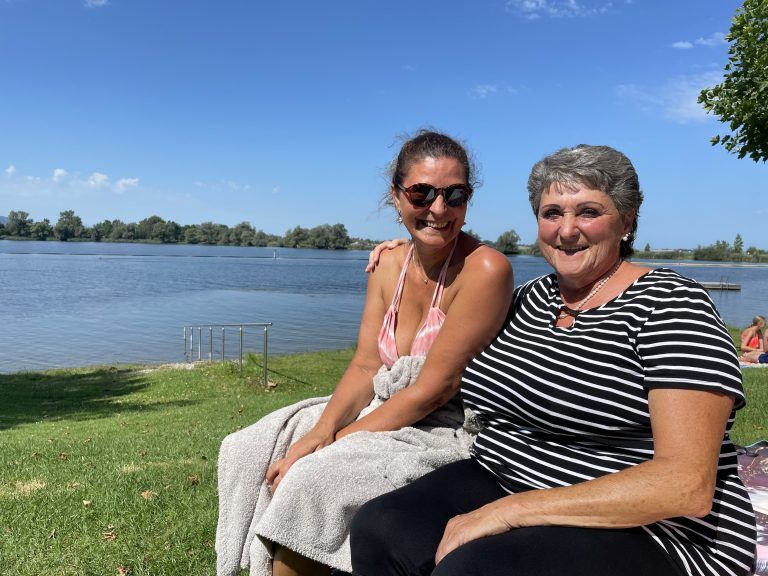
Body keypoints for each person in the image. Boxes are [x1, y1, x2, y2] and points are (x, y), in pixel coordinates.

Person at [350, 144, 757, 576]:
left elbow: (684, 485)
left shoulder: (671, 305)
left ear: (628, 219)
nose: (566, 231)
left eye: (587, 212)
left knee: (476, 569)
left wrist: (509, 513)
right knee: (379, 526)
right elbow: (449, 301)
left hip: (655, 529)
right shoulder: (530, 299)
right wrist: (414, 249)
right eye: (551, 213)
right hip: (505, 475)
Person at [215, 130, 514, 576]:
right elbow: (366, 363)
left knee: (311, 477)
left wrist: (331, 444)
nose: (439, 208)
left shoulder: (485, 269)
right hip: (386, 406)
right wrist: (321, 430)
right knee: (246, 448)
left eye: (455, 194)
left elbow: (436, 389)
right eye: (421, 193)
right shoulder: (387, 264)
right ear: (396, 197)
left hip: (443, 425)